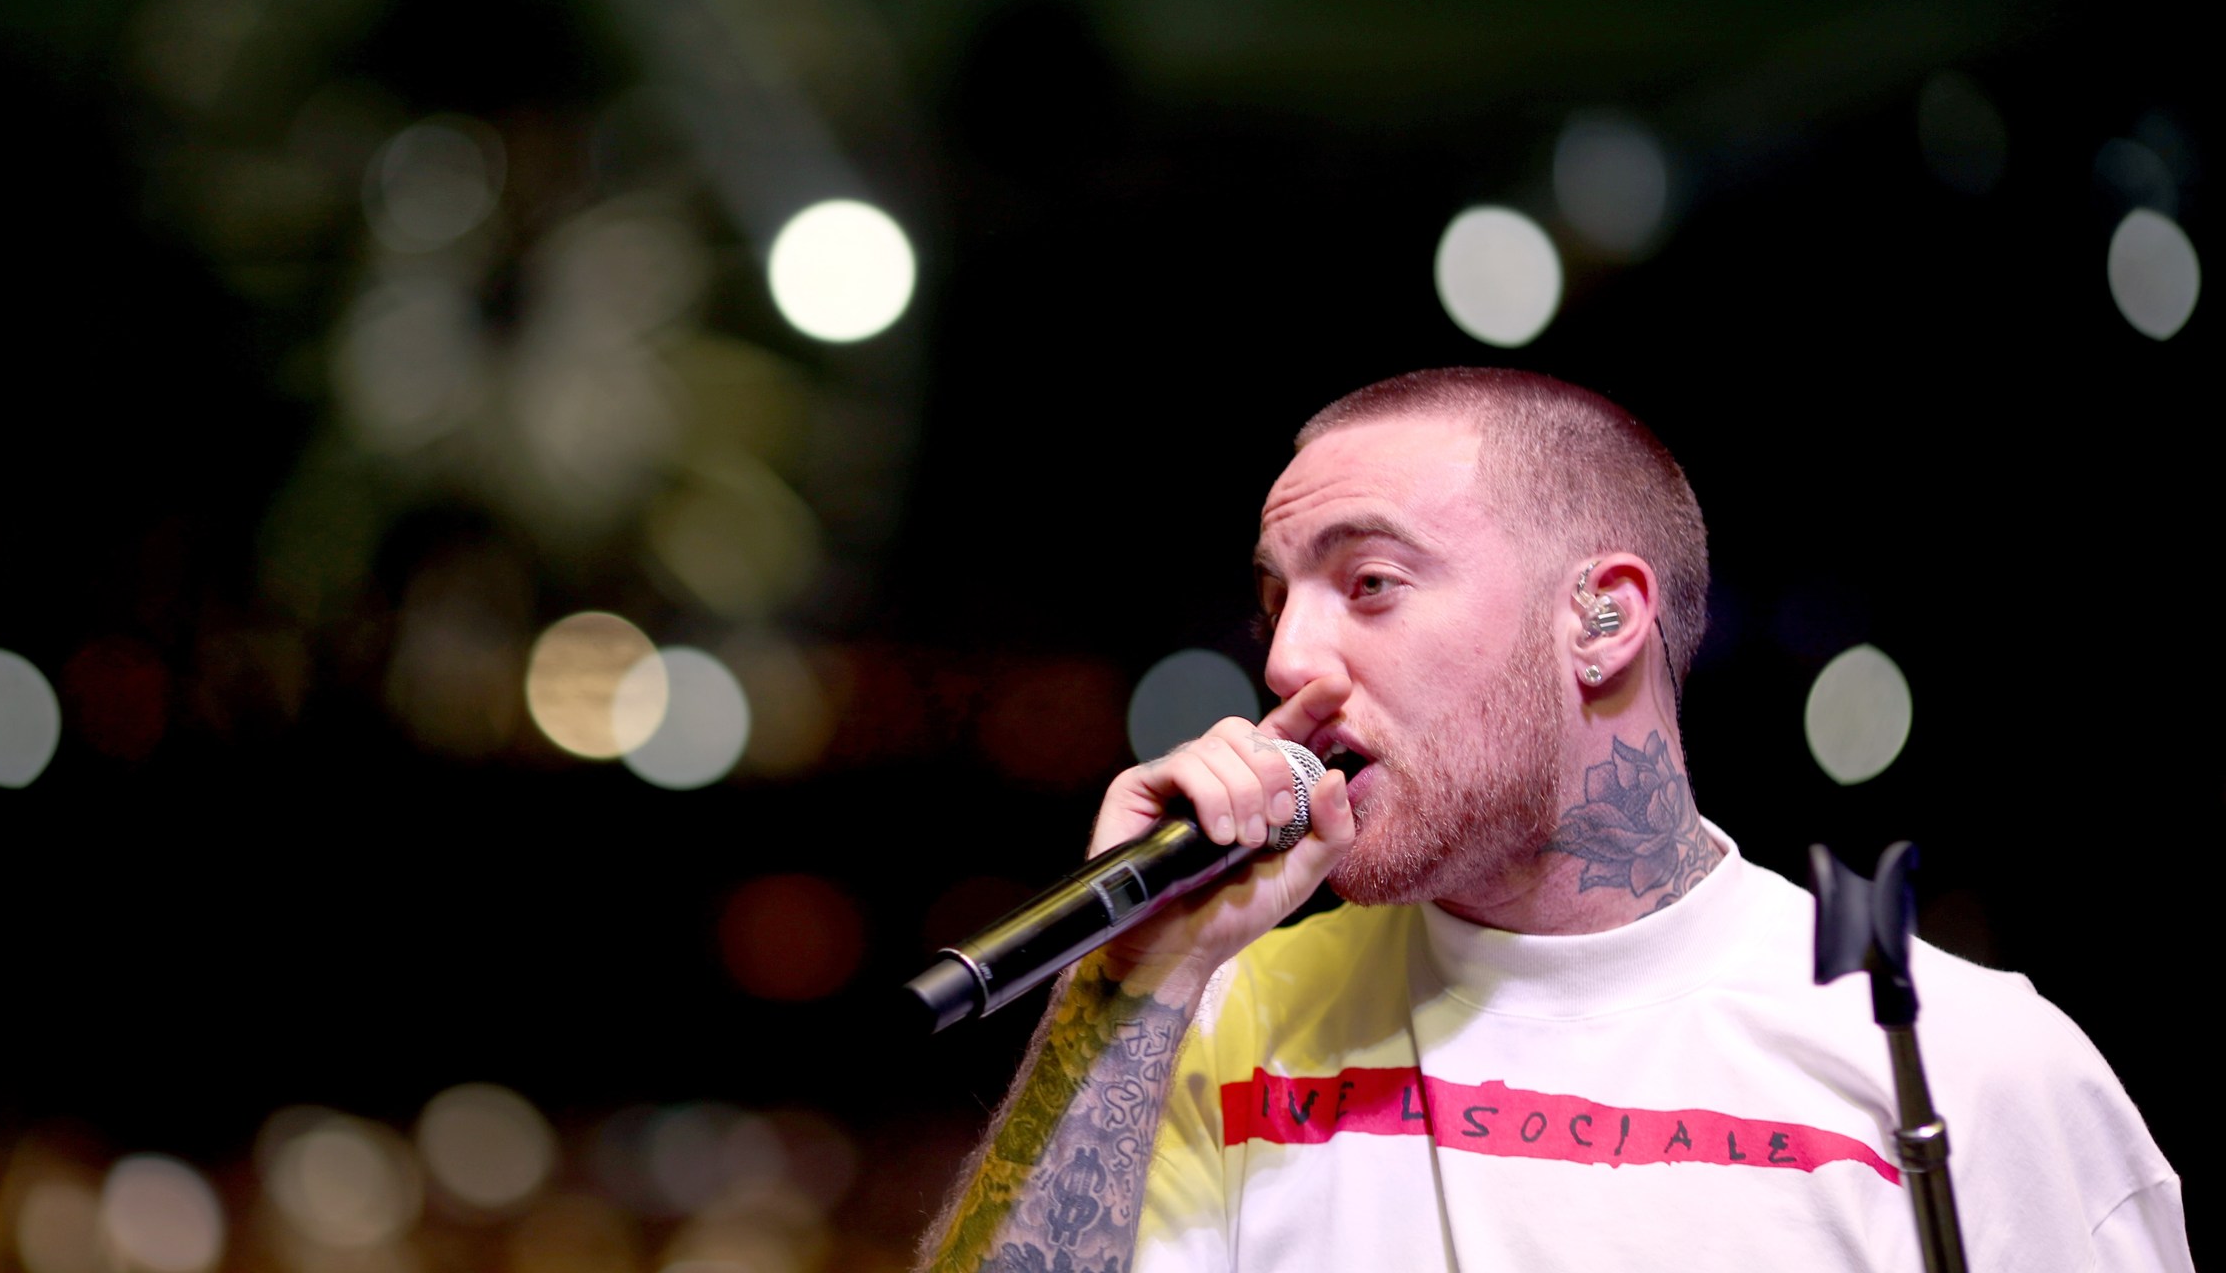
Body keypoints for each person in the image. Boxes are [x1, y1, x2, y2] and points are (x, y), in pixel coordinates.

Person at [917, 368, 2187, 1272]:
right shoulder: (1223, 1022)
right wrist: (1126, 992)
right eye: (1277, 602)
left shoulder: (1963, 1066)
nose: (1291, 655)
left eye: (1370, 583)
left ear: (1600, 620)